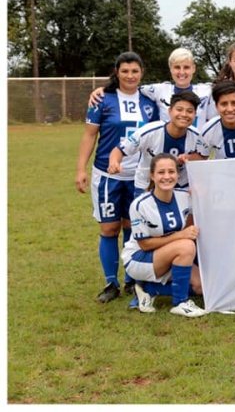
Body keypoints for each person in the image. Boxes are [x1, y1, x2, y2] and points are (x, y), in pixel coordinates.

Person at [75, 51, 160, 302]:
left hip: (139, 176)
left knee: (132, 227)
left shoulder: (150, 102)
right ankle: (111, 283)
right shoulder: (103, 99)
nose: (130, 76)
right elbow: (89, 135)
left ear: (141, 73)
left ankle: (132, 279)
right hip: (107, 174)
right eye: (125, 71)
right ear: (117, 72)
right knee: (109, 227)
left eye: (135, 71)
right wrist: (80, 169)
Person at [121, 154, 206, 317]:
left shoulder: (185, 197)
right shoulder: (140, 204)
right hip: (139, 258)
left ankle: (149, 289)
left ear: (178, 175)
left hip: (169, 254)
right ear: (152, 176)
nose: (167, 177)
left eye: (171, 172)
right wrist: (180, 236)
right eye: (161, 172)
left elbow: (192, 223)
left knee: (201, 286)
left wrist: (201, 189)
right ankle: (180, 302)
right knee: (186, 245)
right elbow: (145, 244)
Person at [109, 91, 206, 197]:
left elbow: (203, 156)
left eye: (189, 111)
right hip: (146, 186)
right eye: (179, 109)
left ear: (195, 114)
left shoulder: (198, 137)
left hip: (181, 188)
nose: (184, 114)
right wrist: (114, 162)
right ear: (170, 111)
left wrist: (189, 158)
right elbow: (120, 149)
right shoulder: (148, 132)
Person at [88, 47, 213, 130]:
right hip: (166, 154)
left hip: (196, 154)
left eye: (186, 67)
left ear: (193, 68)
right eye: (177, 67)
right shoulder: (159, 90)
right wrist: (104, 89)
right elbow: (129, 85)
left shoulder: (207, 91)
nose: (181, 72)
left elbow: (224, 91)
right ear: (170, 69)